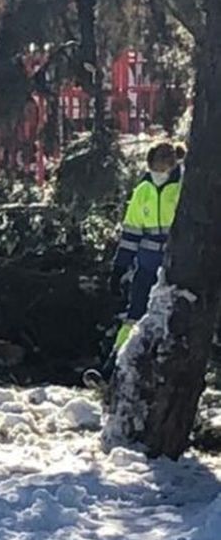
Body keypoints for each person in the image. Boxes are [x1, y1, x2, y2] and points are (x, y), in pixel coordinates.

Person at [89, 141, 183, 383]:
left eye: (162, 168)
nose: (158, 173)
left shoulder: (184, 188)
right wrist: (119, 266)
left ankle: (162, 374)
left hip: (177, 269)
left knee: (175, 320)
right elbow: (131, 233)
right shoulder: (143, 190)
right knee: (134, 316)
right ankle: (113, 367)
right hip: (148, 266)